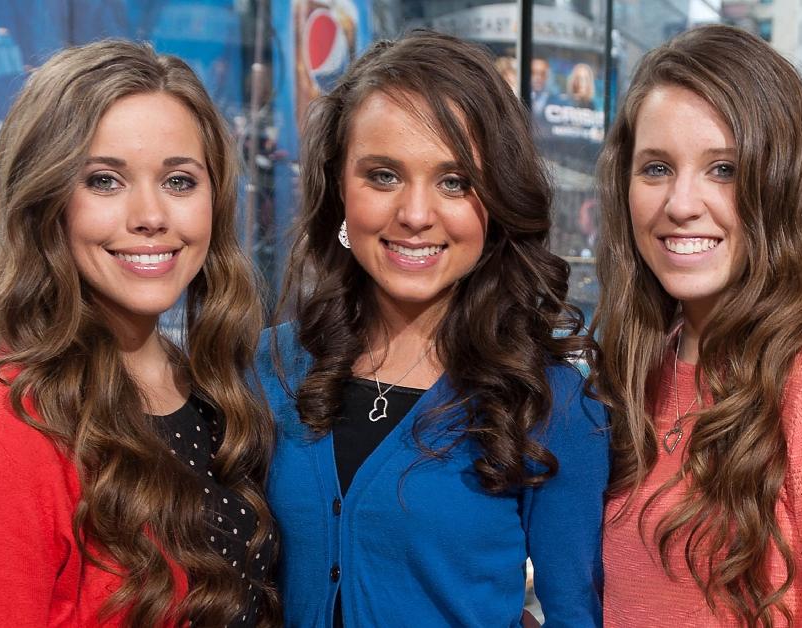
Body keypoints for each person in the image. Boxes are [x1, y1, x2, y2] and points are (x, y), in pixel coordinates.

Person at [256, 30, 609, 627]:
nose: (416, 215)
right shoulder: (271, 366)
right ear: (339, 187)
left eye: (455, 181)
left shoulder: (552, 403)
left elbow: (575, 611)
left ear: (496, 203)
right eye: (384, 175)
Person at [591, 24, 802, 627]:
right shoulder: (641, 364)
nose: (682, 203)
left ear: (779, 187)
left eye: (723, 169)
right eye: (657, 168)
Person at [0, 40, 278, 626]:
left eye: (180, 181)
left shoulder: (214, 392)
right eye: (105, 181)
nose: (151, 216)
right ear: (45, 201)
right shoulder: (1, 434)